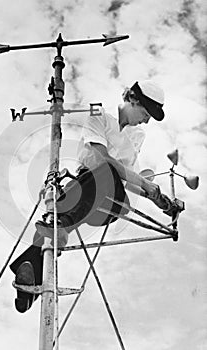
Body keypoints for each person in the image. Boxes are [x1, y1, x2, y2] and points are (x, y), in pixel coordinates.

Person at [10, 80, 169, 313]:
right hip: (85, 185)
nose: (146, 120)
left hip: (110, 200)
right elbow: (101, 157)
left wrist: (152, 194)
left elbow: (128, 176)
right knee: (56, 220)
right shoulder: (100, 117)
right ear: (133, 99)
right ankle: (27, 285)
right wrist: (142, 182)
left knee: (98, 191)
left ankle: (59, 227)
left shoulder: (137, 136)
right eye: (145, 113)